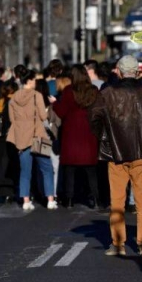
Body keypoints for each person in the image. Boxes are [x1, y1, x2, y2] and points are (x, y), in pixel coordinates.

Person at [89, 55, 142, 257]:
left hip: (116, 152)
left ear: (119, 71)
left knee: (117, 201)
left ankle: (118, 243)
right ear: (138, 72)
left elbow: (94, 118)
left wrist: (105, 138)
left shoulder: (107, 94)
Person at [6, 69, 57, 210]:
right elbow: (42, 116)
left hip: (22, 137)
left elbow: (12, 119)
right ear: (30, 81)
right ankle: (50, 200)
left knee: (25, 171)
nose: (35, 82)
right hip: (38, 134)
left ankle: (26, 201)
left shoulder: (14, 98)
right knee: (47, 168)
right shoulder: (37, 96)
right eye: (34, 80)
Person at [53, 65, 100, 209]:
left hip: (71, 135)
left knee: (69, 170)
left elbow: (61, 112)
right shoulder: (94, 91)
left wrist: (55, 103)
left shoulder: (68, 91)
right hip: (89, 135)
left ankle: (69, 200)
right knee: (91, 171)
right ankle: (96, 199)